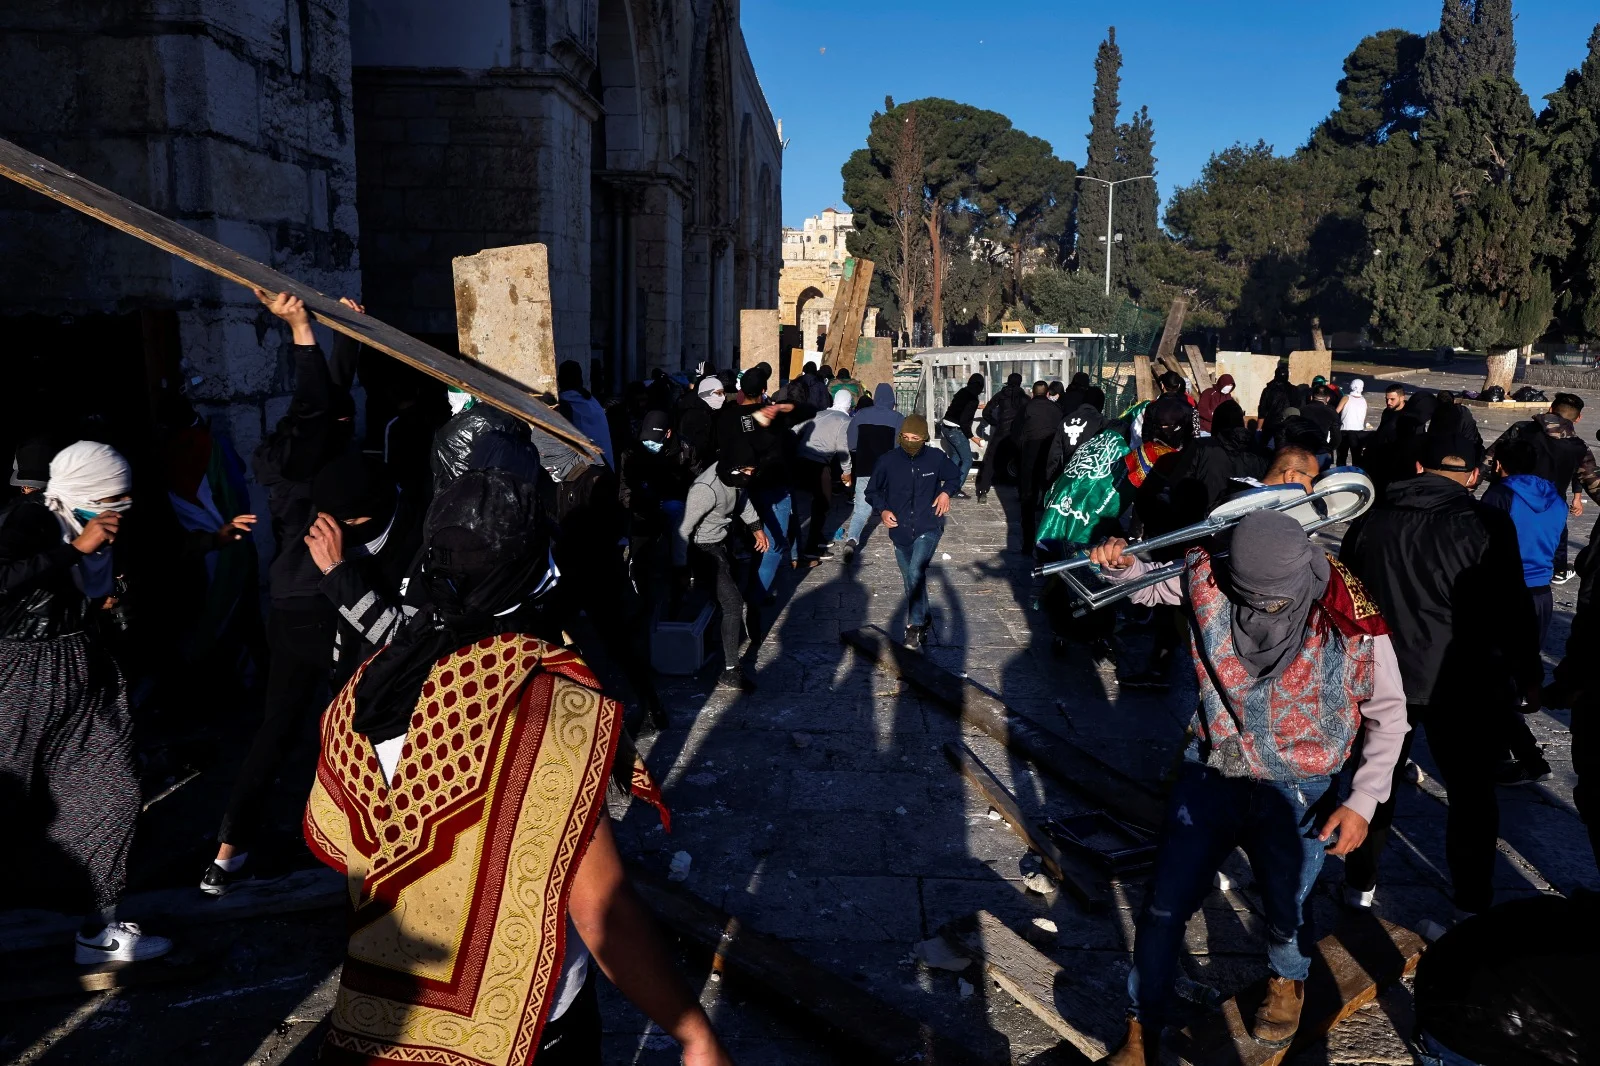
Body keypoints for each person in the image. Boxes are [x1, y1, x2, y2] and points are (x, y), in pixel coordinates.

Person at [303, 469, 732, 1066]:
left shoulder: (367, 686)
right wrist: (694, 1034)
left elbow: (344, 836)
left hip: (395, 1009)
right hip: (531, 1024)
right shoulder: (548, 709)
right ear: (535, 576)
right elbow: (600, 911)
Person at [1091, 508, 1409, 1062]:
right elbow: (1148, 586)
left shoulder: (1349, 617)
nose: (1261, 611)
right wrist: (1120, 565)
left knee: (1289, 902)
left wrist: (1362, 801)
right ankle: (1141, 1028)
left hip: (1300, 782)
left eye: (1275, 601)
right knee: (1165, 903)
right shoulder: (1210, 573)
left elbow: (1390, 714)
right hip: (1213, 768)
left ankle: (1287, 980)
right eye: (1249, 598)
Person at [1338, 431, 1542, 918]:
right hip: (1463, 678)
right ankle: (1472, 901)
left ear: (1417, 467)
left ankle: (1359, 883)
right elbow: (1513, 606)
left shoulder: (1372, 518)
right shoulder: (1487, 523)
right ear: (1472, 476)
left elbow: (1344, 595)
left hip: (1383, 673)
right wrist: (1527, 671)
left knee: (1375, 780)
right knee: (1471, 794)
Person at [0, 441, 173, 964]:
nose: (121, 508)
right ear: (86, 489)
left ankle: (98, 930)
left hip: (82, 671)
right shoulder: (33, 518)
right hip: (21, 679)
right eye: (112, 498)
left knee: (113, 790)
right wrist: (73, 551)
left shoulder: (94, 527)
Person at [1481, 437, 1563, 786]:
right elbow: (1560, 545)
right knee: (1518, 673)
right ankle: (1508, 751)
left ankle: (1522, 756)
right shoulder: (1555, 496)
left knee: (1494, 676)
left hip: (1506, 591)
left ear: (1500, 464)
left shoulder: (1499, 495)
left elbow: (1481, 542)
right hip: (1541, 592)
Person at [679, 441, 770, 691]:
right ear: (732, 468)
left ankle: (709, 640)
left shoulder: (734, 479)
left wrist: (756, 528)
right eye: (746, 471)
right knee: (733, 603)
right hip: (703, 549)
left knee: (718, 598)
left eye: (752, 472)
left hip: (722, 542)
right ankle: (731, 670)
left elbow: (743, 500)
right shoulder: (705, 489)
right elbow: (683, 530)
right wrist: (681, 567)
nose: (749, 476)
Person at [1482, 393, 1600, 585]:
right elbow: (1594, 483)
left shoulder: (1521, 429)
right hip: (1549, 512)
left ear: (1550, 409)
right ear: (1578, 418)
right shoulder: (1578, 447)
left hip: (1507, 501)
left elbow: (1487, 462)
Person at [866, 416, 962, 650]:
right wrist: (883, 509)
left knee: (915, 572)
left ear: (924, 438)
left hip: (928, 525)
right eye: (905, 437)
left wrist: (946, 492)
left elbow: (954, 476)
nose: (909, 442)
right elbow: (872, 491)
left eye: (915, 438)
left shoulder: (935, 458)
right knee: (910, 580)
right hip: (899, 529)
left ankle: (914, 625)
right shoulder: (887, 461)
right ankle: (925, 617)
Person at [840, 382, 903, 559]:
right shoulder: (898, 418)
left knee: (861, 510)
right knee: (895, 505)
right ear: (892, 399)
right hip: (888, 469)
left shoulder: (861, 415)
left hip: (865, 468)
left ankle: (852, 540)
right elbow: (899, 446)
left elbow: (851, 444)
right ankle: (903, 540)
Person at [790, 389, 854, 563]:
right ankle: (811, 548)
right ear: (849, 404)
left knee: (813, 501)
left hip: (801, 459)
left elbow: (795, 429)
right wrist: (847, 472)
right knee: (822, 503)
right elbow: (843, 448)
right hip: (818, 463)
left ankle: (817, 537)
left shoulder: (819, 414)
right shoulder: (845, 421)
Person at [1012, 381, 1066, 550]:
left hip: (1030, 456)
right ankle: (1050, 540)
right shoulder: (1056, 409)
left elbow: (1015, 432)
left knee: (1028, 498)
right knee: (1052, 496)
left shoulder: (1026, 408)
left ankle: (1028, 542)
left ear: (1033, 393)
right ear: (1047, 393)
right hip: (1051, 456)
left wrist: (1021, 451)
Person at [975, 373, 1028, 503]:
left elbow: (986, 412)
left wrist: (995, 423)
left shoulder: (1001, 395)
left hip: (1001, 432)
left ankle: (983, 491)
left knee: (990, 461)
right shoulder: (1024, 398)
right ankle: (1022, 492)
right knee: (1022, 462)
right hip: (1017, 435)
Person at [558, 359, 616, 467]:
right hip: (605, 464)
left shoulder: (566, 403)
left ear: (559, 379)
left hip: (592, 467)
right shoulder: (591, 400)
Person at [939, 373, 984, 494]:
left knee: (956, 456)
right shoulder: (973, 399)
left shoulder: (962, 392)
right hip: (955, 430)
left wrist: (979, 406)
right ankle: (955, 489)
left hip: (945, 427)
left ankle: (948, 486)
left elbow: (960, 406)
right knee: (967, 460)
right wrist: (974, 439)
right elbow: (964, 422)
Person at [1257, 363, 1298, 440]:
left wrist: (1258, 430)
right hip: (1287, 428)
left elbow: (1262, 411)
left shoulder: (1268, 390)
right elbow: (1296, 410)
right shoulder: (1294, 390)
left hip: (1270, 428)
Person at [1336, 379, 1370, 465]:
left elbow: (1336, 412)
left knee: (1341, 456)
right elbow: (1364, 416)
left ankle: (1341, 471)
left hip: (1345, 430)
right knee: (1357, 457)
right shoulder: (1364, 400)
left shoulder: (1346, 398)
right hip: (1358, 431)